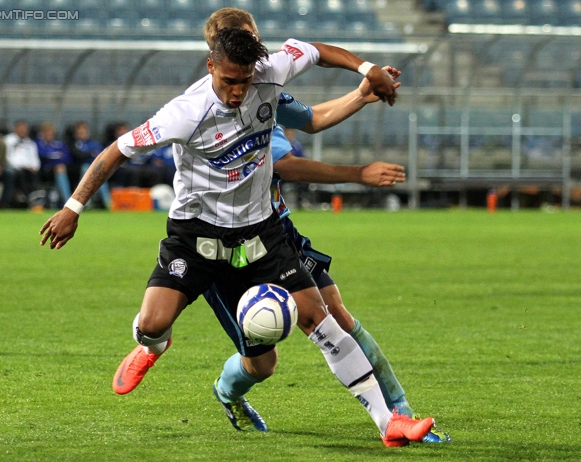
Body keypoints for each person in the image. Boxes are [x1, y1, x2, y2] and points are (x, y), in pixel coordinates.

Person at [40, 27, 432, 446]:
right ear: (211, 65)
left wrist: (368, 69)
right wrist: (73, 207)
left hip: (261, 232)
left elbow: (316, 51)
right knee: (153, 325)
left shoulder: (269, 74)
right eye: (229, 81)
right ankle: (153, 346)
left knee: (320, 320)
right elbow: (116, 150)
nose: (238, 92)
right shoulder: (185, 113)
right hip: (197, 239)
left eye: (244, 81)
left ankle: (387, 422)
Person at [68, 121, 111, 209]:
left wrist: (88, 155)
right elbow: (78, 155)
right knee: (87, 168)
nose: (82, 134)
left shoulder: (94, 143)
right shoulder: (74, 144)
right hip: (78, 169)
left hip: (95, 167)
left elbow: (101, 155)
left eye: (84, 132)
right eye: (80, 132)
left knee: (101, 171)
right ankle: (86, 203)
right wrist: (90, 154)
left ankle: (108, 202)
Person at [4, 120, 44, 210]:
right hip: (14, 168)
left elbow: (35, 159)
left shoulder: (30, 143)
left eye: (24, 129)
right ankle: (29, 199)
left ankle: (35, 199)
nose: (23, 131)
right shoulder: (8, 140)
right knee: (19, 174)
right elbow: (7, 157)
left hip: (29, 169)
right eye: (20, 128)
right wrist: (21, 166)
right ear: (15, 129)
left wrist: (34, 167)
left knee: (35, 174)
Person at [36, 122, 73, 208]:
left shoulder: (59, 144)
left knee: (62, 168)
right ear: (42, 134)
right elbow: (41, 155)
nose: (49, 134)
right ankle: (68, 203)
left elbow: (67, 158)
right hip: (44, 170)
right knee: (60, 168)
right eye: (46, 132)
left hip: (60, 168)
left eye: (50, 132)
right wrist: (56, 156)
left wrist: (52, 156)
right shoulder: (38, 144)